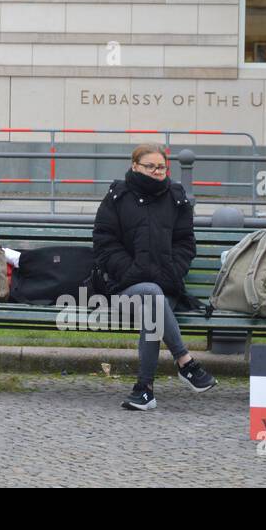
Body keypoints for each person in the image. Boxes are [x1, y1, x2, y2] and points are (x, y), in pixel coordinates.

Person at [92, 143, 217, 411]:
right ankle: (185, 362)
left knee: (153, 307)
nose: (157, 171)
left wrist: (170, 272)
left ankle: (144, 391)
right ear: (135, 166)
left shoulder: (176, 196)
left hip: (165, 286)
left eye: (161, 167)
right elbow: (105, 243)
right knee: (149, 293)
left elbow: (185, 243)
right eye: (150, 166)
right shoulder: (118, 196)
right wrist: (130, 272)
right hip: (123, 287)